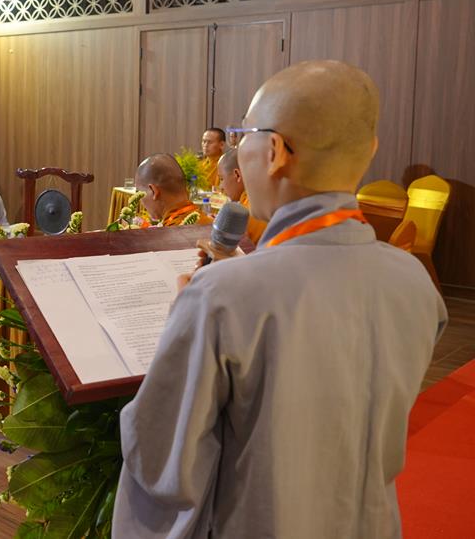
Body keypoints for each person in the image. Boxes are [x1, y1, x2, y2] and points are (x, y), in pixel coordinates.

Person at [113, 60, 448, 538]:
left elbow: (164, 459)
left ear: (273, 152)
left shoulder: (221, 296)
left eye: (243, 135)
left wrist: (188, 319)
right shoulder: (414, 282)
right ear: (370, 150)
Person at [135, 154, 213, 226]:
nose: (141, 202)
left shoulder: (169, 232)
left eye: (139, 193)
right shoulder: (210, 223)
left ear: (154, 191)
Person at [217, 147, 267, 245]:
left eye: (221, 179)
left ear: (237, 175)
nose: (220, 187)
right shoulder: (263, 196)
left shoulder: (243, 214)